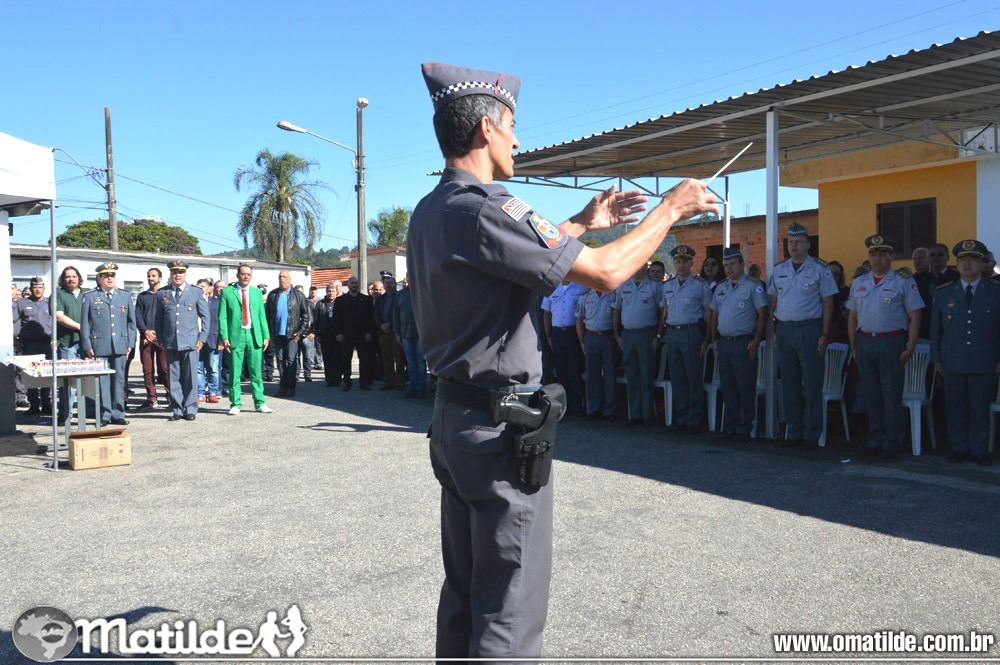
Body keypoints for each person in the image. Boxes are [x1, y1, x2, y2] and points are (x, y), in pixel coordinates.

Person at [408, 62, 716, 659]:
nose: (517, 138)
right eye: (511, 125)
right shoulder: (488, 206)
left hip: (455, 420)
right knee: (509, 609)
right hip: (498, 431)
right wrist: (671, 210)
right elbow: (606, 272)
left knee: (466, 594)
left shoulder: (434, 209)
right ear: (486, 130)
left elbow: (508, 257)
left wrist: (583, 223)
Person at [846, 235, 923, 460]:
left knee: (890, 394)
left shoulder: (902, 281)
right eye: (873, 254)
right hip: (865, 342)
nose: (877, 259)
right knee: (871, 394)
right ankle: (875, 439)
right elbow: (852, 317)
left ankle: (892, 441)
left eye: (882, 254)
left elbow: (915, 315)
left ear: (891, 256)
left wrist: (910, 345)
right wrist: (853, 345)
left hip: (891, 342)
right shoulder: (859, 282)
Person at [766, 223, 838, 449]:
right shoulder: (779, 270)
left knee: (812, 383)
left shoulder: (820, 269)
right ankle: (793, 431)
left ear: (808, 243)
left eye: (798, 241)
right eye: (790, 242)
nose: (793, 246)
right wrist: (774, 330)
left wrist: (824, 334)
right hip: (785, 330)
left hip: (809, 329)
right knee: (789, 383)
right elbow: (773, 302)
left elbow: (828, 303)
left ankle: (811, 433)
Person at [930, 240, 1000, 466]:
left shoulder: (995, 291)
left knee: (979, 406)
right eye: (962, 260)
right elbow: (936, 330)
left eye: (972, 259)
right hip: (953, 359)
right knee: (955, 406)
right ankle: (959, 447)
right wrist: (936, 358)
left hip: (984, 358)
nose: (967, 264)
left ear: (983, 263)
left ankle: (979, 449)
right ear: (956, 264)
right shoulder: (944, 293)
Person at [707, 248, 769, 441]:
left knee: (745, 387)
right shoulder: (721, 287)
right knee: (728, 387)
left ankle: (744, 428)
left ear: (742, 264)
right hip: (724, 343)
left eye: (732, 264)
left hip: (743, 343)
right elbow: (713, 314)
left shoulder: (753, 287)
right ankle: (730, 425)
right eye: (726, 265)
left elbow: (763, 313)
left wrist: (757, 339)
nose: (729, 268)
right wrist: (713, 338)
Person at [658, 245, 711, 433]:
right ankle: (681, 417)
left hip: (691, 332)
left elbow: (709, 312)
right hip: (673, 333)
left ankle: (694, 420)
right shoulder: (668, 286)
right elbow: (664, 312)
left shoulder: (700, 286)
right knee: (677, 377)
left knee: (693, 377)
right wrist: (661, 333)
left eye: (685, 261)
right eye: (678, 261)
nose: (681, 265)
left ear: (691, 263)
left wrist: (706, 338)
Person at [79, 262, 135, 426]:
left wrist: (130, 342)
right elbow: (85, 323)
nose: (110, 279)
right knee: (103, 381)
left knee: (119, 380)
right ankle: (105, 414)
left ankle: (118, 413)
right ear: (99, 278)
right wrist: (87, 345)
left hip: (120, 344)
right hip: (99, 345)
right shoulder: (90, 297)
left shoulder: (125, 296)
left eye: (112, 275)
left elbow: (131, 322)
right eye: (106, 276)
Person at [156, 260, 209, 421]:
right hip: (171, 342)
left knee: (190, 377)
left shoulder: (195, 292)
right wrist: (161, 339)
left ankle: (190, 408)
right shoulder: (162, 293)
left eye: (180, 272)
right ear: (170, 274)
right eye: (174, 272)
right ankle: (177, 409)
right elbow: (158, 319)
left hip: (191, 342)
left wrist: (202, 338)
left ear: (185, 274)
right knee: (174, 377)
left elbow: (206, 317)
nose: (177, 275)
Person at [218, 264, 272, 415]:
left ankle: (260, 402)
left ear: (251, 276)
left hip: (254, 335)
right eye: (243, 274)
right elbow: (222, 316)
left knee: (256, 372)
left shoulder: (256, 292)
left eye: (248, 274)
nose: (246, 276)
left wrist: (266, 335)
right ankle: (235, 403)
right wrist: (224, 336)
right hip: (236, 335)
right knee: (235, 371)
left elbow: (262, 315)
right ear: (237, 275)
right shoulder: (227, 292)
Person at [613, 264, 662, 425]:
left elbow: (662, 311)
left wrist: (658, 335)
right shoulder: (623, 286)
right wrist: (617, 335)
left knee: (646, 375)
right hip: (628, 334)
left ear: (644, 266)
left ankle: (647, 414)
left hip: (646, 334)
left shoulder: (655, 286)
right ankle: (634, 414)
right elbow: (616, 310)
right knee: (632, 375)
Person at [541, 280, 587, 416]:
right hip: (557, 333)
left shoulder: (580, 287)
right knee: (561, 370)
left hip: (573, 332)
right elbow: (546, 313)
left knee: (575, 368)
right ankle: (562, 407)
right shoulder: (551, 287)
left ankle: (576, 405)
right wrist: (549, 335)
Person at [265, 270, 313, 398]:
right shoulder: (273, 295)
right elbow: (267, 315)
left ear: (290, 279)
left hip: (292, 335)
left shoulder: (298, 295)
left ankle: (291, 387)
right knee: (280, 361)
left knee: (291, 360)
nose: (282, 279)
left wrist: (300, 333)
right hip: (277, 335)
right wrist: (269, 333)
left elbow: (306, 316)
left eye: (284, 277)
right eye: (280, 277)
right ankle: (283, 387)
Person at [13, 276, 53, 415]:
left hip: (47, 343)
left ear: (44, 288)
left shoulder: (50, 303)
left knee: (47, 375)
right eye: (35, 287)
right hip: (29, 345)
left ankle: (47, 404)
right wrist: (15, 341)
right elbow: (11, 320)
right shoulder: (22, 303)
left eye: (40, 287)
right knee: (30, 375)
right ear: (31, 289)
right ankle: (34, 405)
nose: (37, 290)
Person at [576, 285, 617, 420]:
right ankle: (594, 409)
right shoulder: (585, 296)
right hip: (591, 337)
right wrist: (582, 342)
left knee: (610, 374)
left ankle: (609, 410)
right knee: (592, 375)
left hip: (607, 336)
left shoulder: (612, 294)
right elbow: (579, 319)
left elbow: (616, 317)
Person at [333, 276, 376, 391]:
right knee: (346, 360)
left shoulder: (366, 299)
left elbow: (370, 318)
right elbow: (336, 319)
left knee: (364, 359)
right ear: (348, 285)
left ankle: (363, 382)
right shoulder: (340, 300)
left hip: (362, 335)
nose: (354, 285)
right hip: (346, 335)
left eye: (356, 283)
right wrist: (338, 333)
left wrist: (369, 332)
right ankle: (347, 382)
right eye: (352, 283)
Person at [135, 267, 170, 409]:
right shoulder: (142, 296)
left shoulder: (166, 294)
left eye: (153, 276)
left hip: (162, 338)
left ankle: (171, 396)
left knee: (165, 369)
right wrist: (145, 332)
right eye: (149, 276)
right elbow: (137, 316)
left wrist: (161, 333)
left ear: (160, 278)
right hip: (146, 339)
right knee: (147, 370)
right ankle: (151, 398)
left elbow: (169, 316)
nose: (150, 278)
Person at [54, 266, 86, 419]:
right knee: (68, 382)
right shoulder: (58, 294)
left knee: (89, 380)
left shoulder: (88, 294)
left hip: (87, 343)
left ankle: (89, 413)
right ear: (63, 279)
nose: (71, 279)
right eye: (67, 277)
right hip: (67, 344)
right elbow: (59, 317)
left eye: (74, 276)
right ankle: (65, 414)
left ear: (79, 278)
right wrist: (81, 327)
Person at [914, 242, 958, 339]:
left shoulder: (956, 278)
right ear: (928, 258)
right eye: (932, 255)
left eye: (940, 254)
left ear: (948, 257)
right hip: (926, 331)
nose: (936, 258)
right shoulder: (919, 280)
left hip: (950, 330)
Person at [392, 274, 426, 398]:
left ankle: (421, 388)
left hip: (420, 334)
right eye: (409, 276)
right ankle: (413, 386)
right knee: (411, 362)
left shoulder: (423, 293)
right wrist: (397, 332)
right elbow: (395, 315)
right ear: (406, 279)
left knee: (420, 362)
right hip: (405, 334)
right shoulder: (400, 295)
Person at [374, 271, 407, 390]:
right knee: (386, 358)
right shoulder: (380, 299)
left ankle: (400, 382)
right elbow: (376, 314)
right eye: (387, 283)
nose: (389, 285)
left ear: (395, 284)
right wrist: (381, 325)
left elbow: (399, 314)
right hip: (383, 332)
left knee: (399, 358)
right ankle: (389, 382)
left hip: (395, 332)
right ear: (384, 284)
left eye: (391, 283)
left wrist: (390, 324)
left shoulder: (399, 296)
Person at [314, 281, 343, 387]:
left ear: (336, 292)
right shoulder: (320, 304)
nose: (331, 293)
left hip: (337, 335)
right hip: (325, 335)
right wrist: (316, 334)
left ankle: (337, 379)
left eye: (333, 291)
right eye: (329, 291)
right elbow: (315, 320)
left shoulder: (340, 303)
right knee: (327, 358)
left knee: (337, 358)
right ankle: (329, 379)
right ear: (326, 292)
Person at [197, 278, 221, 402]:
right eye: (198, 286)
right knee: (198, 368)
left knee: (213, 368)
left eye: (202, 286)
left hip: (213, 339)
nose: (200, 289)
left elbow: (221, 321)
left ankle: (213, 392)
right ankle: (200, 393)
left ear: (209, 289)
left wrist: (221, 339)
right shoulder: (193, 302)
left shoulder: (217, 302)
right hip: (196, 340)